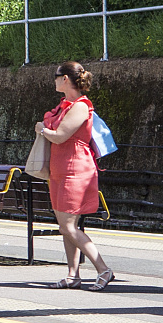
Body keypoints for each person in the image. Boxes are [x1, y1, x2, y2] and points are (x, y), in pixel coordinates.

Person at [36, 61, 115, 290]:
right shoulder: (65, 105)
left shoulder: (81, 106)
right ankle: (73, 274)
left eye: (56, 75)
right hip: (60, 169)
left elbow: (60, 135)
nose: (54, 79)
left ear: (66, 80)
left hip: (75, 169)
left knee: (69, 226)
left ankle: (103, 269)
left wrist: (42, 129)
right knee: (65, 225)